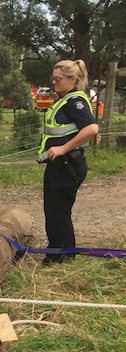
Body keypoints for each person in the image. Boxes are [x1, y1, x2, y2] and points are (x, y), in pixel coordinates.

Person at [39, 59, 98, 264]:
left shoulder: (75, 102)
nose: (54, 83)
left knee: (59, 212)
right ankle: (58, 252)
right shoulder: (64, 99)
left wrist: (63, 148)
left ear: (72, 79)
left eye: (58, 79)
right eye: (52, 79)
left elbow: (92, 129)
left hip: (68, 166)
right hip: (58, 165)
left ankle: (62, 256)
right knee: (53, 210)